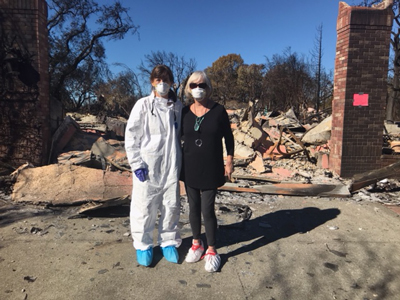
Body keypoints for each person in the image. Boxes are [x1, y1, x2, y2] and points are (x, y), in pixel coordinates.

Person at [125, 65, 183, 267]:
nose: (162, 83)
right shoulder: (142, 105)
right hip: (148, 166)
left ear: (171, 82)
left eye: (166, 79)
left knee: (171, 205)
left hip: (171, 165)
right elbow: (131, 136)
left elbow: (181, 135)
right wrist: (136, 163)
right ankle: (143, 245)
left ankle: (168, 242)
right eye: (158, 80)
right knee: (145, 207)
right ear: (152, 82)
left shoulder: (177, 107)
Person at [180, 71, 234, 272]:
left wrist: (229, 161)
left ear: (209, 87)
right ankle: (196, 243)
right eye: (193, 85)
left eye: (201, 84)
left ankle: (211, 250)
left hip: (211, 167)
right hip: (190, 167)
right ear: (188, 88)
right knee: (193, 208)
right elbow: (177, 138)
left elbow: (229, 138)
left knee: (207, 209)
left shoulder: (219, 111)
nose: (197, 88)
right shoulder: (185, 112)